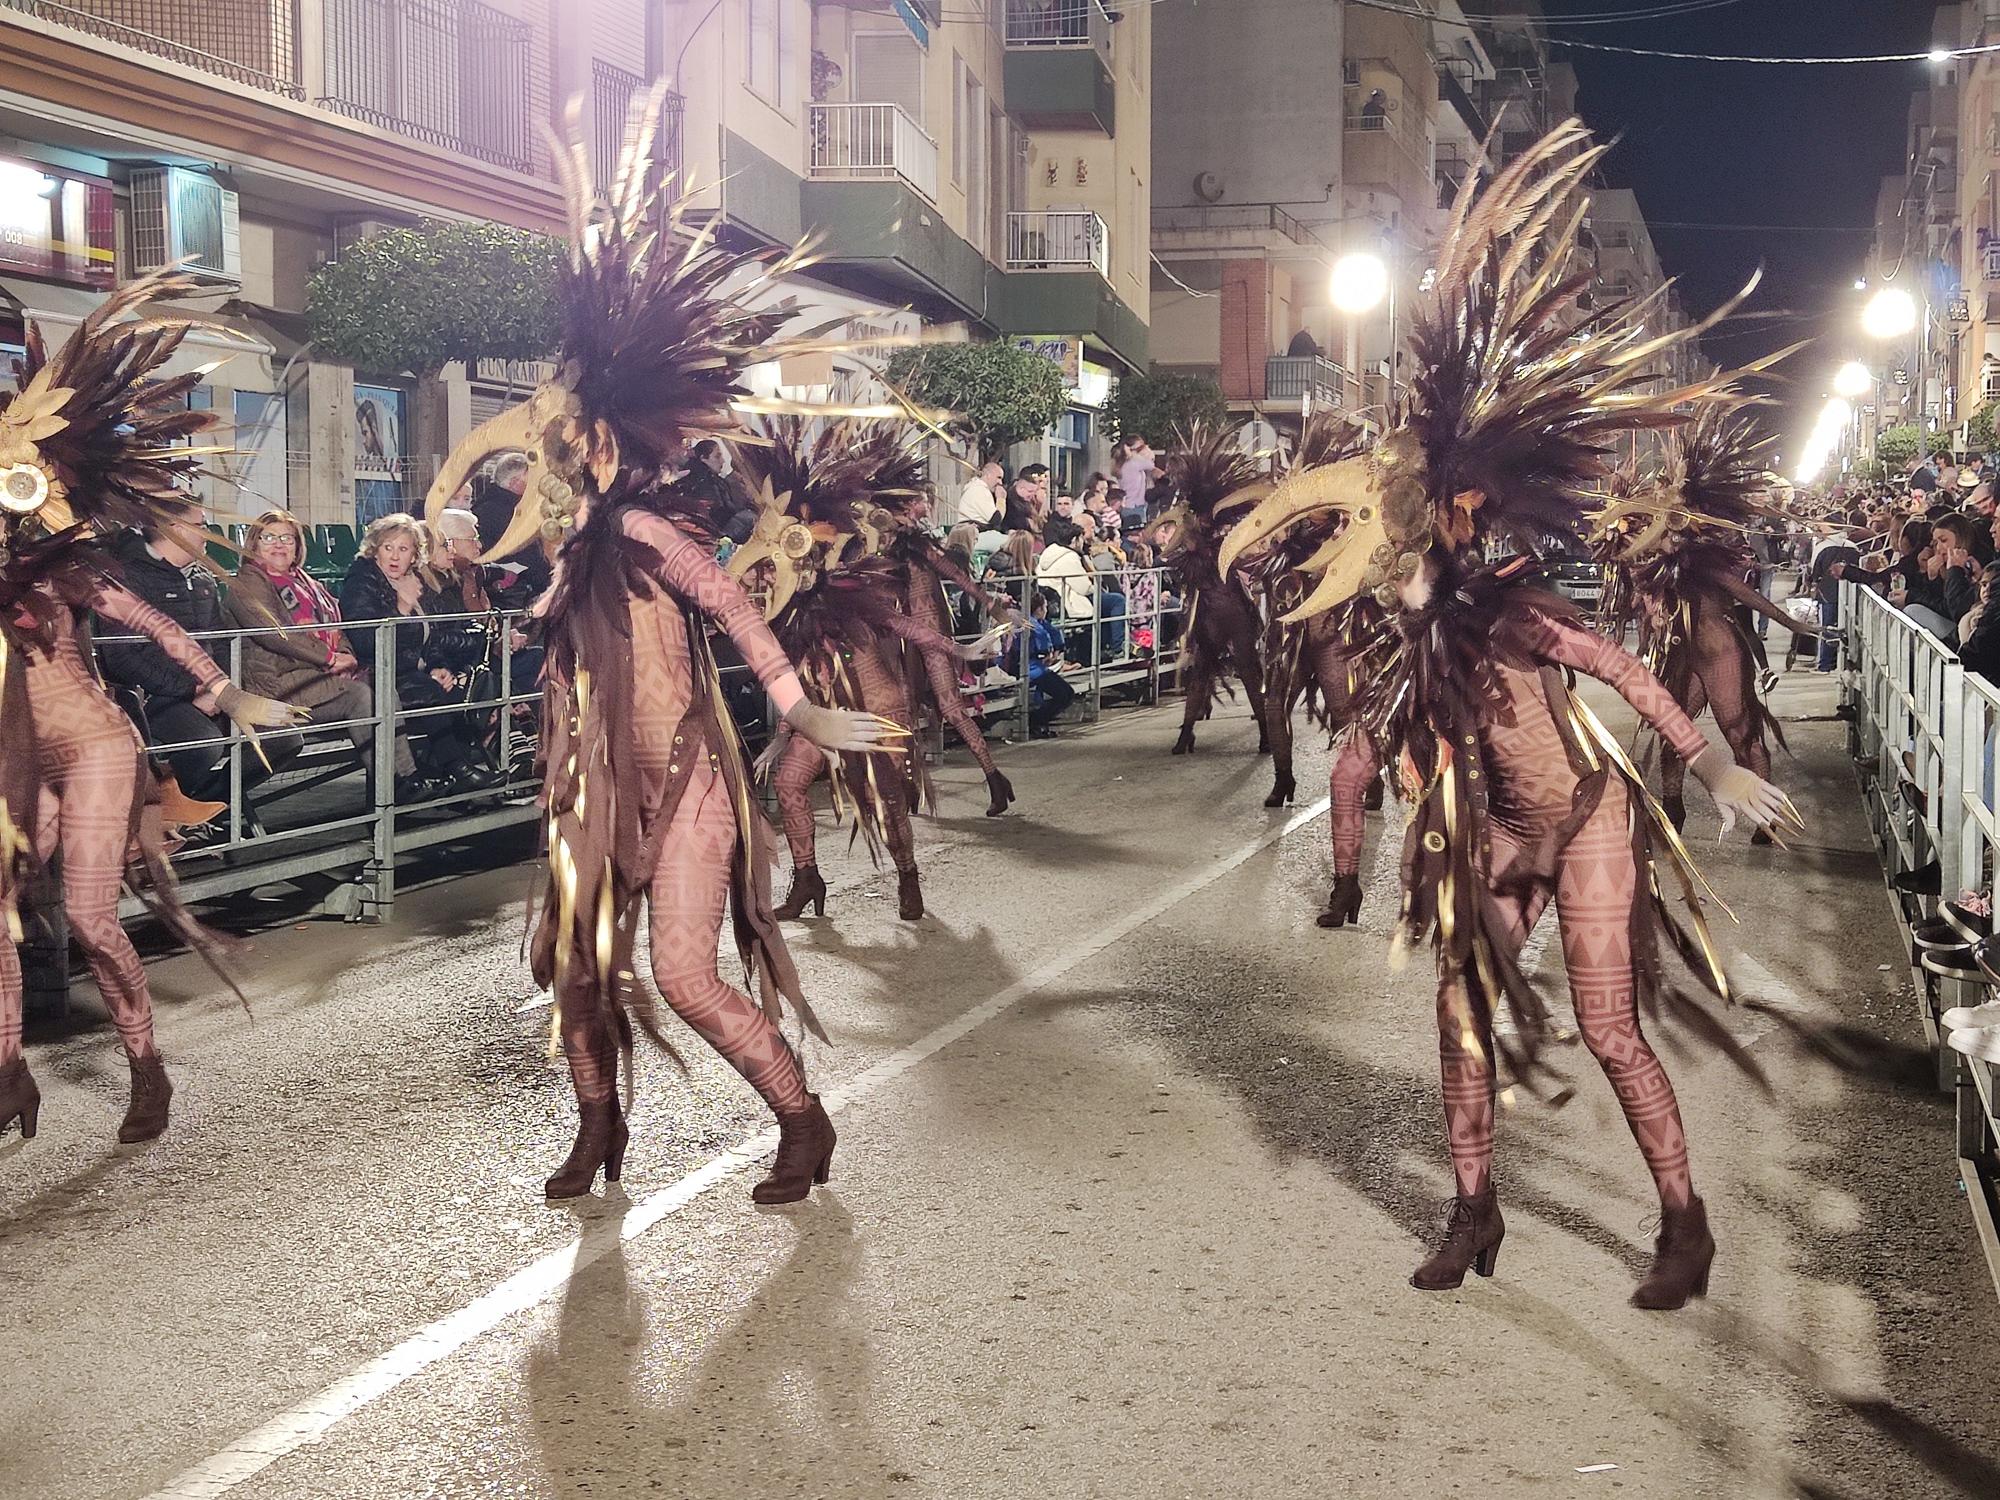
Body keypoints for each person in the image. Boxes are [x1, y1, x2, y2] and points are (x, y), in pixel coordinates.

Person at [1219, 122, 1798, 1310]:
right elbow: (1369, 700)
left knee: (1605, 1030)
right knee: (1460, 1017)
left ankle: (1682, 1223)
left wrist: (1716, 768)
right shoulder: (1403, 626)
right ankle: (1472, 1208)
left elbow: (1616, 672)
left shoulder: (1512, 606)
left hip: (1581, 821)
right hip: (1491, 834)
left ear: (1454, 513)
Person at [418, 124, 894, 1205]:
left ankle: (800, 1119)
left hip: (685, 787)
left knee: (683, 976)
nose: (539, 471)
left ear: (595, 452)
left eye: (557, 451)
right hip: (594, 796)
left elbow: (730, 602)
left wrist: (797, 708)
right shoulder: (563, 564)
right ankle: (599, 1130)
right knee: (573, 971)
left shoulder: (639, 534)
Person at [0, 270, 300, 1146]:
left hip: (90, 745)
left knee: (94, 918)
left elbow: (155, 621)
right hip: (11, 759)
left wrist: (223, 688)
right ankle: (10, 1071)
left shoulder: (60, 565)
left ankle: (146, 1068)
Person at [731, 421, 972, 923]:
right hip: (820, 716)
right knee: (790, 783)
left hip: (875, 711)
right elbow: (796, 671)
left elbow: (905, 625)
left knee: (884, 801)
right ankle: (807, 878)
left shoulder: (851, 591)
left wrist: (959, 650)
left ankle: (907, 874)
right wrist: (783, 731)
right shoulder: (789, 612)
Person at [1590, 408, 1819, 845]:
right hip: (1677, 651)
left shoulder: (1698, 555)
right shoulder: (1650, 554)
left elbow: (1740, 590)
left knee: (1741, 734)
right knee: (1673, 729)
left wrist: (1790, 622)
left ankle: (1765, 818)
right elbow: (1624, 579)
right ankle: (1672, 810)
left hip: (1717, 649)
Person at [97, 499, 302, 807]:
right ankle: (180, 809)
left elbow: (220, 645)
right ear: (177, 529)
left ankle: (208, 805)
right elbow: (123, 658)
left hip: (212, 692)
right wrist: (191, 689)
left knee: (284, 736)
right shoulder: (129, 578)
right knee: (204, 744)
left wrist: (220, 689)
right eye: (202, 526)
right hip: (156, 698)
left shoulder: (203, 579)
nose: (208, 534)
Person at [223, 508, 420, 788]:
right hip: (276, 687)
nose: (279, 544)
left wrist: (347, 656)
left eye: (287, 538)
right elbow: (275, 634)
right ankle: (391, 786)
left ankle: (406, 779)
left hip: (313, 678)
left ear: (298, 546)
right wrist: (330, 658)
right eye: (269, 538)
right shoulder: (248, 582)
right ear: (254, 543)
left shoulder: (308, 583)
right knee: (360, 695)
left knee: (381, 684)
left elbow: (338, 626)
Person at [339, 513, 498, 796]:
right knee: (431, 691)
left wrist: (436, 665)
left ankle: (451, 776)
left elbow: (427, 633)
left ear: (414, 554)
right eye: (388, 547)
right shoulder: (362, 580)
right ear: (375, 549)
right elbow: (368, 642)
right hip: (373, 673)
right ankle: (456, 771)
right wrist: (401, 608)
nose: (395, 556)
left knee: (458, 688)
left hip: (409, 670)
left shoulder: (410, 580)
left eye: (403, 549)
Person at [1147, 429, 1272, 757]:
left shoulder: (1216, 534)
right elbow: (1168, 554)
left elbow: (1172, 556)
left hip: (1223, 609)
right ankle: (1191, 733)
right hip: (1214, 611)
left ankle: (1256, 732)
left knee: (1236, 670)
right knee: (1211, 670)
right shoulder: (1205, 531)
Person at [471, 452, 551, 611]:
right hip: (513, 593)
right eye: (530, 480)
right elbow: (526, 552)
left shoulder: (503, 507)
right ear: (515, 482)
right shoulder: (497, 512)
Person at [1018, 587, 1076, 737]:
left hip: (1038, 667)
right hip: (1032, 670)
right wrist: (1051, 654)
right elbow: (1042, 647)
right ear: (1038, 609)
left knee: (1067, 693)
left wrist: (1055, 651)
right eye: (1044, 607)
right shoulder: (1032, 625)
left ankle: (1039, 721)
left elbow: (1054, 636)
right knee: (1065, 694)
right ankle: (1035, 721)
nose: (1046, 610)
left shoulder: (1039, 622)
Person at [1117, 436, 1159, 531]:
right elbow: (1151, 464)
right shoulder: (1133, 463)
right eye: (1141, 447)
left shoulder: (1124, 464)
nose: (1146, 449)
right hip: (1135, 506)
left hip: (1129, 505)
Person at [954, 459, 1004, 530]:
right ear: (988, 475)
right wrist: (1001, 499)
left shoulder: (977, 487)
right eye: (998, 477)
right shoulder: (979, 490)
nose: (1000, 483)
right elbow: (996, 519)